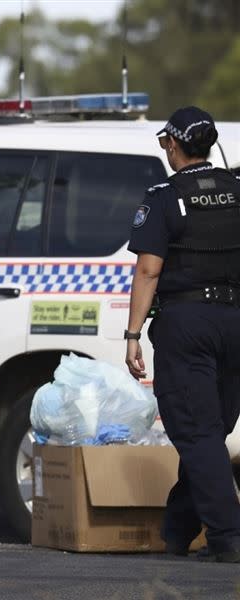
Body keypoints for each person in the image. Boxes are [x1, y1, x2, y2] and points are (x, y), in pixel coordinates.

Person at [125, 106, 240, 563]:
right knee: (209, 433)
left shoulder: (164, 197)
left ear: (173, 144)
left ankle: (228, 537)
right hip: (236, 319)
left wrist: (133, 334)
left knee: (197, 434)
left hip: (187, 324)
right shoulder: (238, 190)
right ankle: (177, 529)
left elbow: (148, 271)